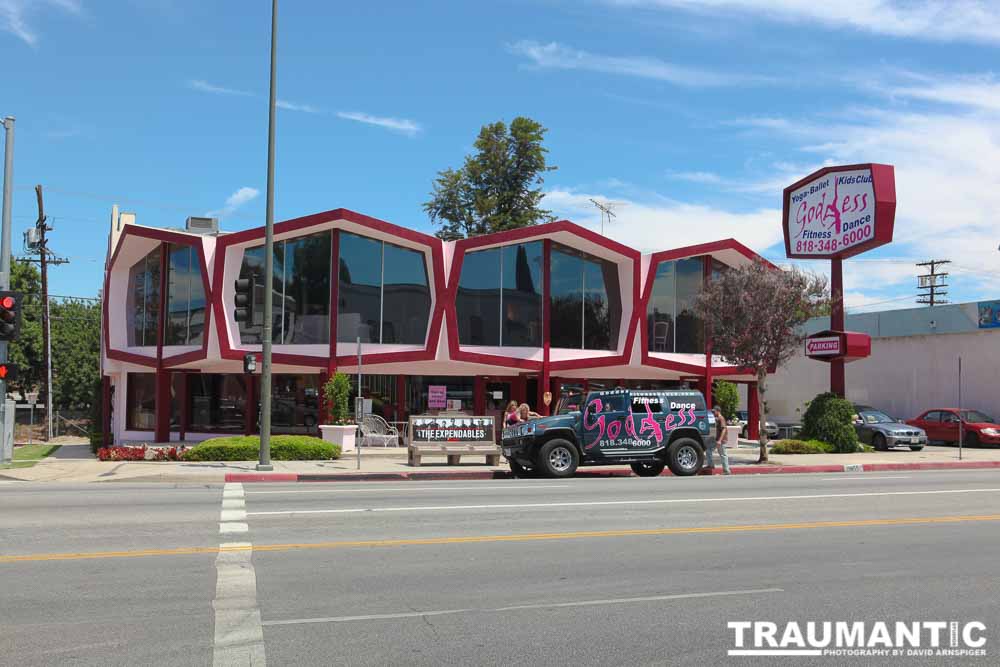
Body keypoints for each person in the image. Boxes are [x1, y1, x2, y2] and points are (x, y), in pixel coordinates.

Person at [706, 406, 732, 475]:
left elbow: (724, 429)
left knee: (723, 454)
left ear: (718, 411)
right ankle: (710, 465)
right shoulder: (717, 419)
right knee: (708, 450)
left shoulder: (721, 418)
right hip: (716, 439)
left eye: (714, 412)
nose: (713, 413)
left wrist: (720, 440)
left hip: (721, 440)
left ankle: (726, 470)